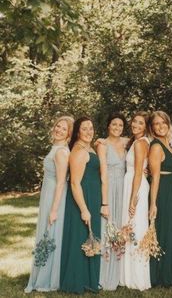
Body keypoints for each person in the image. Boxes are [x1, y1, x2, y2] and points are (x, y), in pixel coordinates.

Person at [25, 116, 74, 293]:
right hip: (48, 193)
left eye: (64, 129)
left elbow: (62, 182)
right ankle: (42, 272)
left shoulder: (61, 152)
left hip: (55, 196)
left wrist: (54, 209)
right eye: (57, 126)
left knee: (51, 233)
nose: (59, 130)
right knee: (47, 233)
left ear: (69, 134)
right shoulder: (56, 148)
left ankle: (47, 279)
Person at [60, 116, 102, 294]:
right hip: (82, 199)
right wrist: (84, 209)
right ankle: (76, 281)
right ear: (77, 131)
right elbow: (75, 183)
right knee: (80, 237)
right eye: (84, 128)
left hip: (92, 196)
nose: (89, 132)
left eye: (91, 128)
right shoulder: (78, 151)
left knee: (90, 238)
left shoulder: (89, 147)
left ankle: (88, 279)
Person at [149, 111, 172, 287]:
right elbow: (155, 177)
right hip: (163, 192)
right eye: (156, 124)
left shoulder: (168, 143)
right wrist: (153, 203)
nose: (160, 126)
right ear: (152, 128)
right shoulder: (156, 146)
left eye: (163, 123)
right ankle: (162, 275)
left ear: (168, 124)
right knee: (164, 232)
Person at [120, 111, 151, 291]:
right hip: (132, 183)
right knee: (130, 226)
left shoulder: (140, 143)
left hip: (135, 186)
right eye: (134, 122)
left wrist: (133, 198)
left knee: (135, 227)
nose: (136, 125)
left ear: (146, 127)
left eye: (140, 123)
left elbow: (139, 171)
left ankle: (137, 276)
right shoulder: (137, 141)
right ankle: (128, 274)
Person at [98, 113, 128, 290]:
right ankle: (104, 273)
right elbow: (103, 173)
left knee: (119, 227)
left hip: (122, 189)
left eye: (120, 125)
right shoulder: (102, 144)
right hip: (108, 187)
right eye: (114, 124)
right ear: (108, 126)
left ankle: (117, 272)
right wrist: (105, 202)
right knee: (107, 228)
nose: (117, 127)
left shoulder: (125, 143)